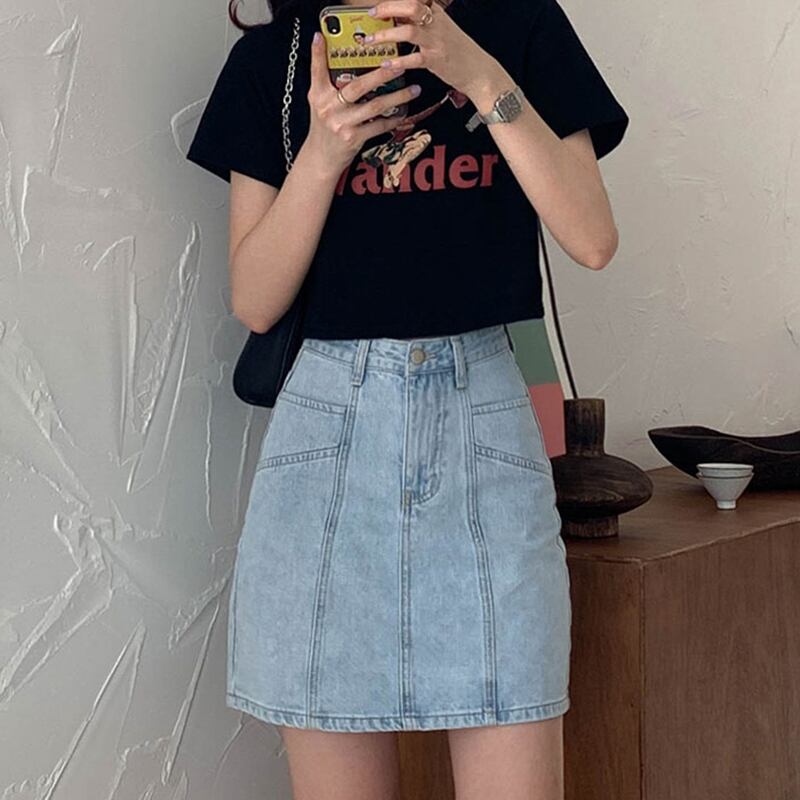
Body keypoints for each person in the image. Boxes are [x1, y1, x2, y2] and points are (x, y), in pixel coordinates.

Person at [186, 0, 629, 796]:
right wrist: (324, 152)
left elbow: (592, 239)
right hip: (328, 444)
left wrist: (479, 75)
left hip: (485, 424)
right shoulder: (277, 59)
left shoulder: (519, 25)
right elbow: (255, 299)